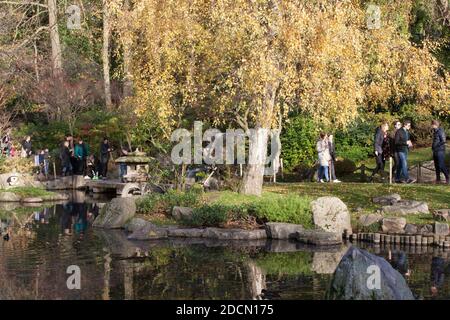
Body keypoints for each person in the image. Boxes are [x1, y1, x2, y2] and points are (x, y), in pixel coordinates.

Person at [431, 120, 449, 184]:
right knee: (436, 165)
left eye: (432, 124)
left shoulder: (440, 131)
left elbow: (443, 141)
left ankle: (447, 177)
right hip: (435, 150)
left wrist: (436, 145)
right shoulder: (435, 131)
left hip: (440, 150)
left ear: (435, 125)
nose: (431, 126)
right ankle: (438, 179)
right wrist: (433, 147)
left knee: (441, 165)